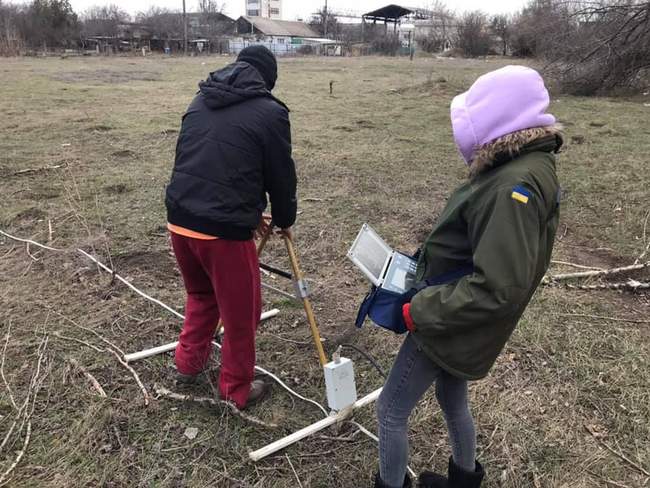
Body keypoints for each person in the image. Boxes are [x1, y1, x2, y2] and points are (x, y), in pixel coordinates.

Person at [374, 66, 563, 488]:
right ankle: (463, 480)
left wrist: (418, 309)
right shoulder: (525, 164)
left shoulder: (514, 185)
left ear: (500, 118)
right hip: (462, 318)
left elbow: (499, 286)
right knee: (450, 396)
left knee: (390, 411)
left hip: (449, 319)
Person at [165, 45, 297, 410]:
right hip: (222, 233)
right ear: (267, 80)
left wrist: (250, 210)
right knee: (242, 313)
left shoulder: (199, 100)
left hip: (179, 222)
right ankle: (236, 388)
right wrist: (285, 217)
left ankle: (188, 363)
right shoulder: (271, 112)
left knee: (202, 295)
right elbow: (281, 177)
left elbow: (204, 162)